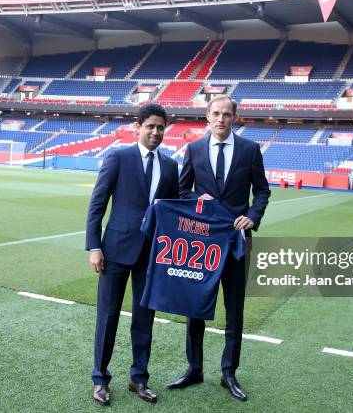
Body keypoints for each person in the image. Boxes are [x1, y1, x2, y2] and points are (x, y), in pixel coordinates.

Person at [169, 95, 270, 401]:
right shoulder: (194, 148)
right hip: (202, 242)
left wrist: (252, 217)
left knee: (234, 308)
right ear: (207, 116)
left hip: (237, 242)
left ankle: (229, 372)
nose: (221, 119)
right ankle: (194, 367)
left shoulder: (250, 150)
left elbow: (262, 190)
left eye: (227, 114)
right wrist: (200, 202)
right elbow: (183, 190)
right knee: (194, 306)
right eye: (216, 113)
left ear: (235, 117)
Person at [86, 103, 179, 406]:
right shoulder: (118, 157)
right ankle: (100, 378)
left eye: (160, 127)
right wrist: (95, 246)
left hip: (151, 254)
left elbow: (172, 210)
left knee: (144, 318)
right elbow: (97, 203)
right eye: (150, 126)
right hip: (114, 251)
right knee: (108, 317)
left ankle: (138, 377)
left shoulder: (170, 167)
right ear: (138, 127)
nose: (155, 132)